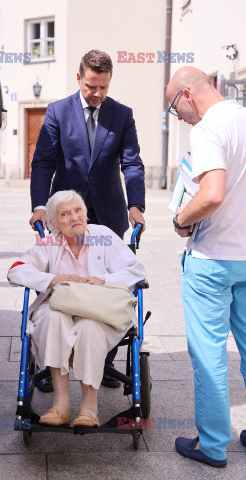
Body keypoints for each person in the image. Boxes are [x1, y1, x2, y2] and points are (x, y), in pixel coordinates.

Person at [29, 49, 146, 388]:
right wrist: (39, 205)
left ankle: (101, 359)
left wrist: (136, 204)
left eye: (104, 88)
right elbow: (43, 163)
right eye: (92, 86)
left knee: (104, 280)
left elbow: (133, 163)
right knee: (62, 277)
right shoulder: (57, 112)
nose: (97, 93)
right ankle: (56, 362)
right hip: (67, 210)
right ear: (79, 78)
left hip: (108, 212)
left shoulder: (122, 115)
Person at [8, 190, 146, 427]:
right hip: (59, 308)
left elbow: (136, 270)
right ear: (54, 224)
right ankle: (61, 406)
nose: (74, 217)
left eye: (78, 210)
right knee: (53, 319)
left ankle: (89, 408)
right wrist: (53, 279)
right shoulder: (50, 242)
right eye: (65, 214)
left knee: (90, 326)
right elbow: (16, 270)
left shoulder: (103, 236)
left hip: (99, 310)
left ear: (85, 213)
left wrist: (102, 280)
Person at [167, 66, 246, 468]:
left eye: (173, 106)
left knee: (209, 355)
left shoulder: (207, 129)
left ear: (187, 94)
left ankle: (212, 446)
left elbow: (212, 194)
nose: (175, 115)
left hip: (213, 259)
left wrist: (181, 219)